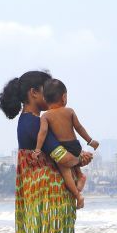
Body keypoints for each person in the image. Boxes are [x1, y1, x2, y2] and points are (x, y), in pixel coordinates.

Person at [0, 70, 90, 233]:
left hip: (33, 197)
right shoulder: (36, 122)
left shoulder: (24, 122)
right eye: (45, 87)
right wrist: (82, 158)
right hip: (50, 196)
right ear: (34, 93)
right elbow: (62, 156)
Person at [34, 78, 98, 207]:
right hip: (75, 145)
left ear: (45, 100)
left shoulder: (46, 116)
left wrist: (37, 149)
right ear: (64, 97)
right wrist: (90, 141)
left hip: (63, 147)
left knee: (66, 172)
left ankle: (77, 195)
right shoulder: (70, 111)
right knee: (76, 161)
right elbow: (79, 128)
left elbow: (43, 132)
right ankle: (80, 175)